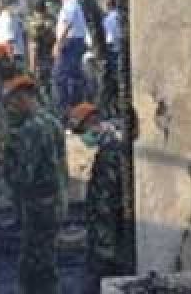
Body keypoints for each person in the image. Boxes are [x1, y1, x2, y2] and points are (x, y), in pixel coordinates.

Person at [0, 76, 64, 294]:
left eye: (14, 102)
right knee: (47, 259)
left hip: (38, 204)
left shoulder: (31, 129)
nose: (12, 108)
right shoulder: (52, 122)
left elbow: (24, 175)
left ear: (24, 97)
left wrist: (7, 164)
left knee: (34, 268)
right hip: (54, 200)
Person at [68, 103, 128, 293]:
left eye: (83, 130)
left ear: (93, 122)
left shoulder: (112, 149)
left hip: (108, 226)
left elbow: (112, 193)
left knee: (105, 270)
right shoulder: (105, 146)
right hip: (101, 225)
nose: (83, 137)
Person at [53, 0, 88, 114]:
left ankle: (64, 112)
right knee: (75, 77)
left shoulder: (69, 4)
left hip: (70, 43)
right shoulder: (75, 4)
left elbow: (67, 23)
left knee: (59, 77)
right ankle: (77, 108)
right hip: (76, 42)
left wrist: (58, 43)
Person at [27, 0, 57, 99]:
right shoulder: (52, 20)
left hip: (41, 59)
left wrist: (32, 67)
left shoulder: (34, 24)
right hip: (52, 58)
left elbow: (33, 47)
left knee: (43, 85)